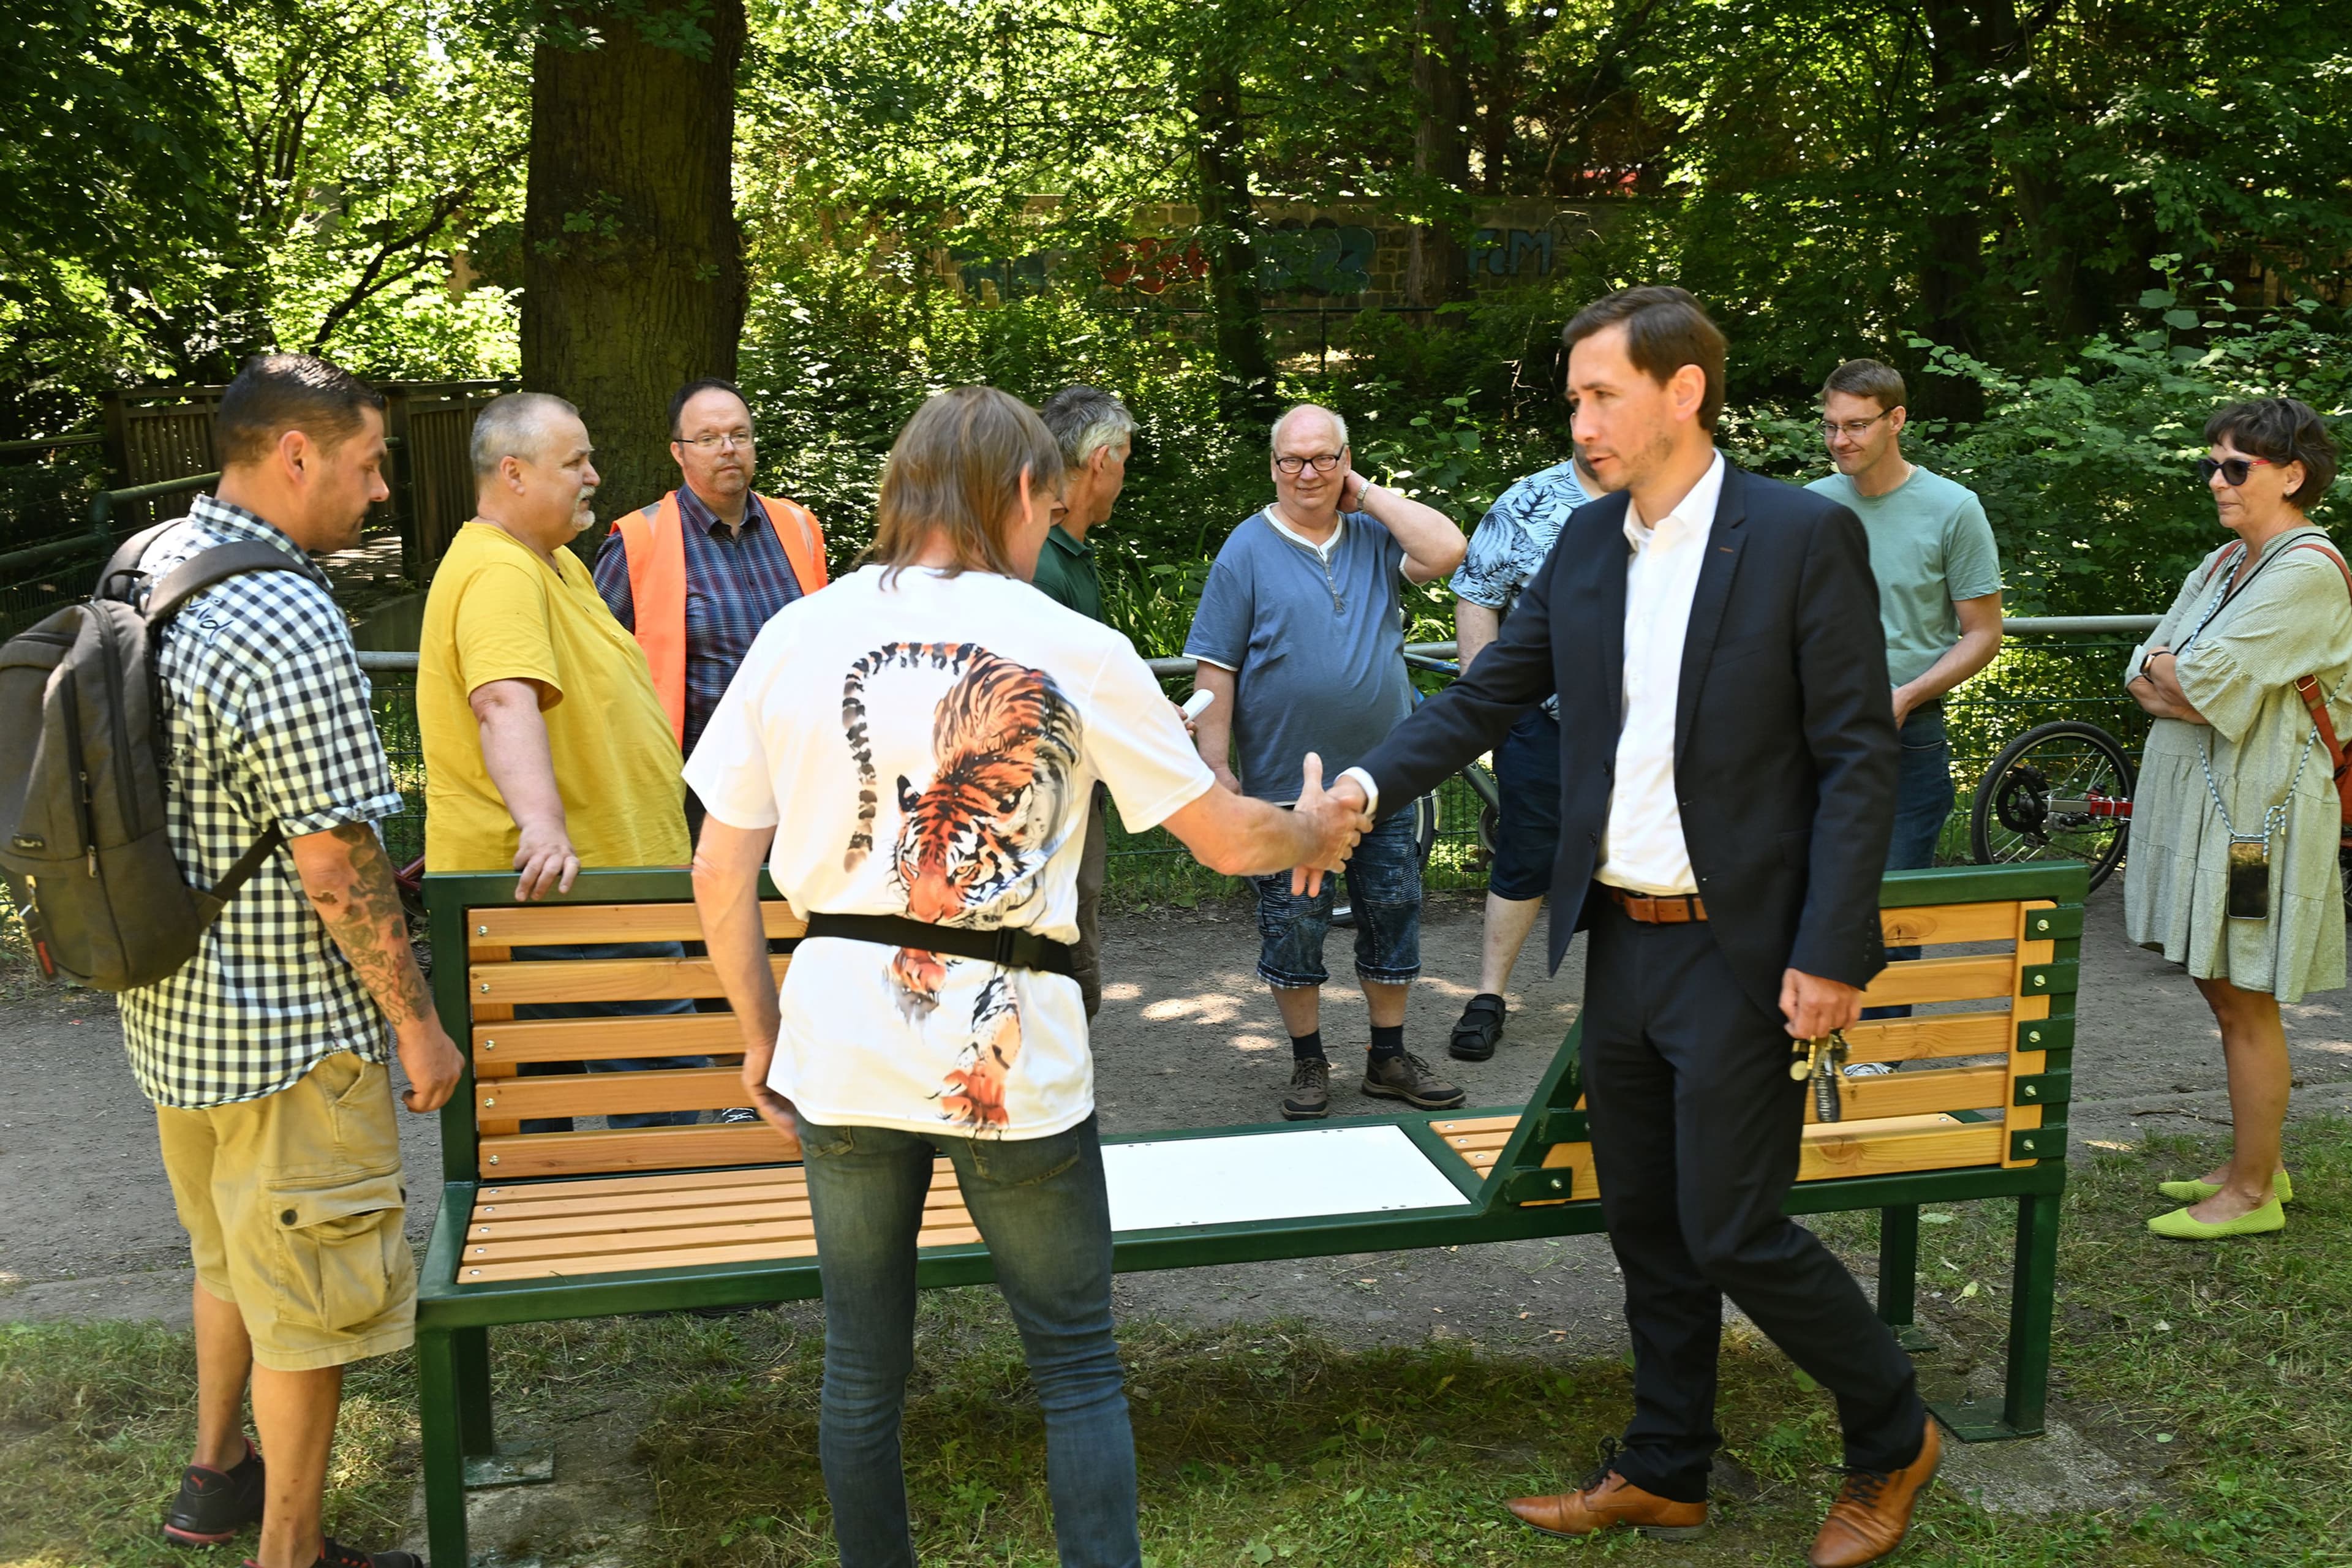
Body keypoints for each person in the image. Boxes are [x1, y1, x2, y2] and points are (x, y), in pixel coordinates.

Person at [685, 385, 1369, 1568]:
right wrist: (1315, 832)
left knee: (862, 1364)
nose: (1048, 530)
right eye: (1047, 506)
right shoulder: (1071, 645)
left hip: (840, 1038)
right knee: (1073, 1361)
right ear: (1013, 494)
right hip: (1004, 1047)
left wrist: (759, 1033)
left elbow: (718, 865)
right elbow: (1227, 838)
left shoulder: (799, 632)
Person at [1331, 287, 1940, 1566]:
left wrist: (1831, 949)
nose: (1581, 418)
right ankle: (1666, 1464)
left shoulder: (1793, 536)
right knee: (1648, 1221)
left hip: (1750, 949)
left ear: (1684, 391)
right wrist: (1363, 786)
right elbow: (1491, 692)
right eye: (1573, 396)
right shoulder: (1591, 540)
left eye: (1601, 392)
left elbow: (1855, 754)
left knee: (1734, 1227)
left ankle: (1894, 1433)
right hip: (1626, 939)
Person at [127, 355, 463, 1568]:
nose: (380, 491)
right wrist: (417, 1022)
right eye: (371, 464)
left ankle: (216, 1477)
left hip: (169, 1009)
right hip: (284, 1031)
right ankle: (292, 1552)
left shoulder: (148, 561)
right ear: (296, 454)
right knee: (308, 1318)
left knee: (232, 1261)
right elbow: (333, 857)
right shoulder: (279, 607)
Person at [417, 392, 703, 1133]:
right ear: (513, 472)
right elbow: (502, 701)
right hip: (576, 893)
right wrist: (540, 827)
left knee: (540, 1114)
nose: (593, 475)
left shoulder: (552, 565)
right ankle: (670, 1238)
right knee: (663, 1111)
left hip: (582, 887)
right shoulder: (501, 572)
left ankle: (589, 1242)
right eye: (575, 461)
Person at [1185, 403, 1471, 1121]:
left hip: (1386, 782)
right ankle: (1309, 1063)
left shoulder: (1375, 534)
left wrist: (1369, 494)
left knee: (1395, 911)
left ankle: (1388, 1057)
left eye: (1322, 458)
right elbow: (1215, 673)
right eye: (1292, 460)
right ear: (1272, 465)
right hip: (1287, 794)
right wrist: (1217, 772)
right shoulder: (1245, 550)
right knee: (1294, 926)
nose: (1307, 473)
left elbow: (1447, 552)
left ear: (1346, 459)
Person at [2125, 398, 2349, 1240]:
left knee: (2245, 991)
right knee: (2219, 984)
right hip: (2220, 807)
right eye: (2211, 463)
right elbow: (2146, 668)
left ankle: (2253, 1194)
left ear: (2291, 475)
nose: (2216, 480)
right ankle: (2258, 1162)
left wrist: (2179, 676)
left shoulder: (2305, 572)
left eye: (2235, 466)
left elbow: (2192, 679)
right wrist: (2173, 673)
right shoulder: (2228, 563)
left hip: (2260, 825)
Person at [1805, 358, 2005, 1041]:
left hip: (1905, 733)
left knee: (1890, 901)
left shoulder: (1953, 508)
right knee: (1804, 892)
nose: (1840, 441)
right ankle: (1806, 1043)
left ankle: (1878, 1053)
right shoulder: (1808, 504)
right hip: (1807, 734)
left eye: (1857, 426)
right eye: (1831, 426)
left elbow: (1984, 633)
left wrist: (1909, 693)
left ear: (1897, 421)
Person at [594, 377, 831, 824]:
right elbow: (596, 676)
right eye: (707, 439)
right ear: (678, 452)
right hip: (692, 791)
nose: (728, 448)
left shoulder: (798, 525)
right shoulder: (637, 541)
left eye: (739, 435)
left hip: (798, 780)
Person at [1442, 451, 1612, 1061]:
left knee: (1648, 858)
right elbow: (1477, 598)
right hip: (1544, 722)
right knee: (1524, 856)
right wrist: (1490, 706)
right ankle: (1487, 997)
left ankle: (1633, 1005)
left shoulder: (1674, 490)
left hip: (1652, 728)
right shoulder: (1527, 501)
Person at [1035, 385, 1139, 1018]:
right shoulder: (1040, 564)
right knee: (1062, 948)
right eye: (1125, 457)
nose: (1126, 473)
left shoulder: (1068, 552)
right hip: (1051, 809)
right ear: (1100, 459)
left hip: (1077, 794)